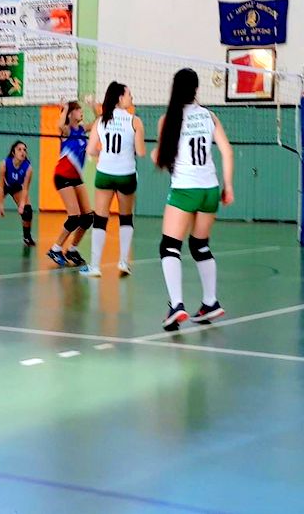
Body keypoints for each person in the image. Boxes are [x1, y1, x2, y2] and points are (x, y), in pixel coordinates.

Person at [152, 68, 234, 331]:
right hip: (210, 188)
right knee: (199, 245)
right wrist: (228, 186)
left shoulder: (168, 119)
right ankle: (210, 302)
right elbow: (227, 151)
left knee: (169, 246)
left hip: (185, 189)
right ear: (196, 89)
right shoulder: (210, 116)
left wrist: (154, 154)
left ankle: (176, 305)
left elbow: (161, 158)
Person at [83, 81, 145, 278]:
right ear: (120, 98)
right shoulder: (135, 121)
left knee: (100, 219)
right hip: (126, 174)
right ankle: (124, 262)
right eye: (129, 94)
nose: (131, 97)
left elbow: (91, 150)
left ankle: (95, 266)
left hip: (105, 173)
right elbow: (141, 152)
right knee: (126, 218)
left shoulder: (100, 121)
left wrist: (104, 154)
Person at [47, 100, 93, 268]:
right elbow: (60, 125)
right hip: (62, 176)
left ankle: (72, 249)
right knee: (74, 217)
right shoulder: (67, 130)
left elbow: (99, 122)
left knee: (88, 218)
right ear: (71, 114)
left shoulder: (81, 129)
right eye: (78, 110)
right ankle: (55, 248)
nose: (81, 112)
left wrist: (94, 107)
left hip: (76, 177)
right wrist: (65, 108)